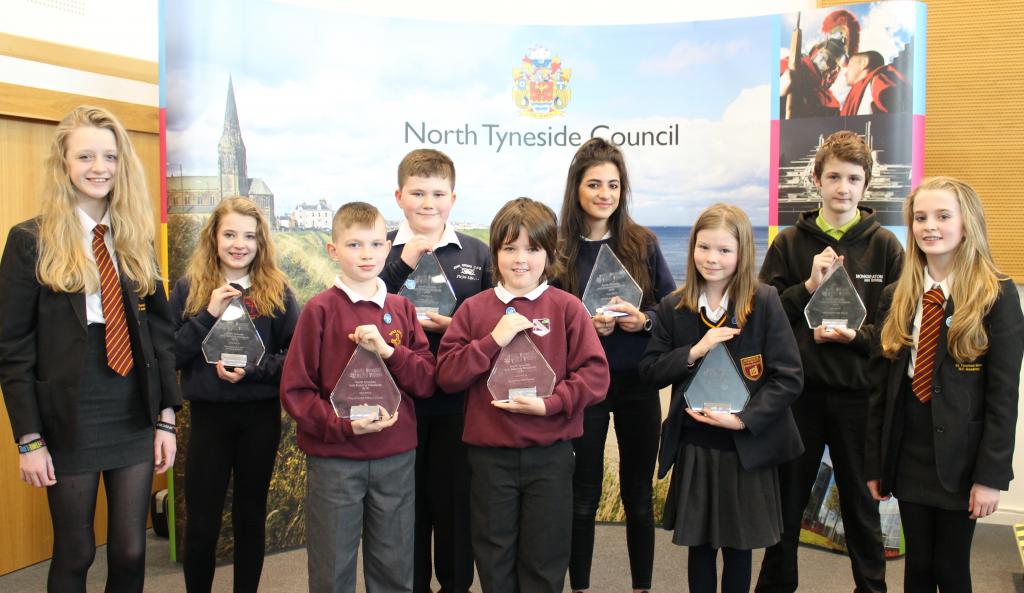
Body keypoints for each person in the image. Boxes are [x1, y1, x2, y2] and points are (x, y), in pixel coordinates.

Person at [0, 105, 180, 593]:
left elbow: (161, 334)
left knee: (130, 550)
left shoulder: (135, 236)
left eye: (109, 156)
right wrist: (29, 439)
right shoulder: (29, 240)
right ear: (63, 163)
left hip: (132, 405)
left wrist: (166, 416)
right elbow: (13, 349)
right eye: (85, 156)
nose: (99, 167)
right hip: (69, 412)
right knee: (76, 552)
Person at [436, 197, 610, 593]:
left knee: (545, 562)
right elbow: (446, 375)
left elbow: (596, 377)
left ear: (550, 254)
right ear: (495, 252)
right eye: (510, 248)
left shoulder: (567, 308)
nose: (521, 259)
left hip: (550, 457)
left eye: (533, 249)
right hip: (489, 458)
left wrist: (551, 403)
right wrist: (491, 341)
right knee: (494, 561)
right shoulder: (473, 310)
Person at [756, 130, 901, 593]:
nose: (843, 187)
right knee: (788, 503)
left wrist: (855, 336)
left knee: (861, 506)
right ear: (815, 180)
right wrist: (809, 291)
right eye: (833, 176)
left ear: (866, 185)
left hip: (859, 398)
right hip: (798, 397)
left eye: (853, 178)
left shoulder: (886, 248)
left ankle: (871, 588)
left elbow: (895, 332)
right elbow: (764, 316)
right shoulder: (788, 244)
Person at [866, 177, 1024, 593]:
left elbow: (1003, 396)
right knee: (917, 567)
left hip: (962, 459)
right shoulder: (898, 296)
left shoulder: (997, 295)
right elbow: (881, 393)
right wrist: (876, 464)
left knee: (951, 569)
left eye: (942, 216)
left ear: (966, 223)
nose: (929, 226)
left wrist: (990, 476)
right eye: (920, 218)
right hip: (910, 453)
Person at [639, 203, 803, 593]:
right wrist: (695, 350)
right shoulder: (673, 307)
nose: (712, 259)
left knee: (738, 547)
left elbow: (789, 378)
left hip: (742, 446)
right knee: (699, 547)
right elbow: (650, 371)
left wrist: (744, 419)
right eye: (704, 247)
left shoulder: (763, 302)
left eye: (724, 250)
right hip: (696, 445)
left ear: (743, 253)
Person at [280, 202, 436, 593]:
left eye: (374, 244)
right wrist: (340, 425)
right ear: (333, 251)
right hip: (336, 458)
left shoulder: (402, 310)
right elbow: (296, 390)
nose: (366, 254)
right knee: (332, 565)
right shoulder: (319, 310)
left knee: (395, 562)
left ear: (389, 249)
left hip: (395, 456)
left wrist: (390, 352)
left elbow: (426, 380)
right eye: (353, 244)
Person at [554, 138, 674, 593]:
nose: (605, 194)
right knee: (582, 499)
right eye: (594, 184)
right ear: (576, 188)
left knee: (639, 498)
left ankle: (641, 587)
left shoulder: (643, 242)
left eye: (614, 185)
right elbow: (544, 316)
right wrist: (582, 326)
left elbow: (671, 307)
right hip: (584, 388)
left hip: (638, 385)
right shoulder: (559, 247)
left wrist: (644, 320)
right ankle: (580, 587)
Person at [170, 196, 299, 592]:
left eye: (249, 236)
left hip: (259, 418)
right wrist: (208, 312)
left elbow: (294, 358)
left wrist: (254, 371)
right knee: (203, 522)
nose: (239, 244)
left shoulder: (276, 291)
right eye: (229, 234)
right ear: (214, 237)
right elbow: (172, 353)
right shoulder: (190, 288)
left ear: (261, 243)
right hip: (209, 419)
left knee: (250, 516)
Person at [380, 149, 491, 593]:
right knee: (404, 509)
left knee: (453, 506)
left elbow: (489, 320)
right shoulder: (380, 245)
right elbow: (360, 304)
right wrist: (401, 261)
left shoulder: (477, 252)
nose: (428, 203)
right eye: (418, 193)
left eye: (438, 194)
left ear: (454, 197)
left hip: (455, 402)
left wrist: (457, 325)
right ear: (399, 196)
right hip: (396, 401)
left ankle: (456, 586)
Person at [840, 51, 910, 116]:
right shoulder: (857, 90)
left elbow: (895, 101)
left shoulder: (877, 79)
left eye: (849, 65)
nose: (845, 71)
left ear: (864, 63)